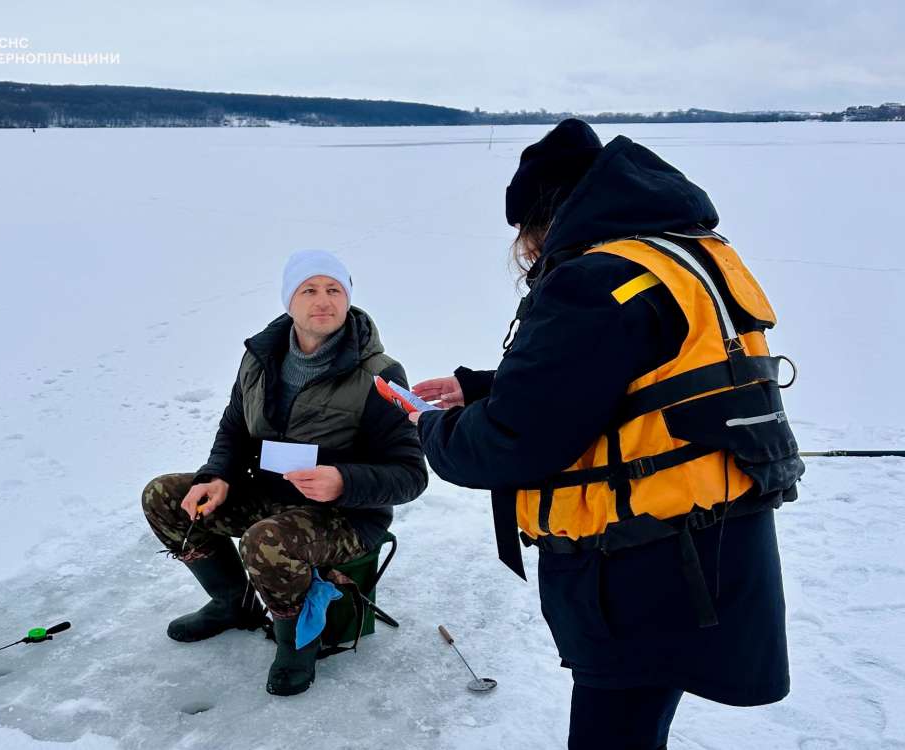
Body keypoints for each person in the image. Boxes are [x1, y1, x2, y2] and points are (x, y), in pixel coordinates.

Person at [410, 120, 804, 749]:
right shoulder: (678, 255)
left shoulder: (594, 282)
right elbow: (641, 378)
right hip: (708, 539)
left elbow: (514, 441)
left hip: (637, 569)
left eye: (526, 237)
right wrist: (482, 387)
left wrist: (432, 430)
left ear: (545, 218)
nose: (529, 253)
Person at [142, 249, 427, 696]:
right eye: (309, 290)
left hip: (346, 515)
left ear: (347, 299)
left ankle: (298, 640)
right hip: (267, 493)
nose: (323, 300)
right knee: (165, 496)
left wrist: (343, 480)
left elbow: (411, 474)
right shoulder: (260, 357)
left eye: (334, 290)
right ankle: (230, 603)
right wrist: (215, 475)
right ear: (288, 301)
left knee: (267, 540)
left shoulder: (379, 374)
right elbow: (235, 427)